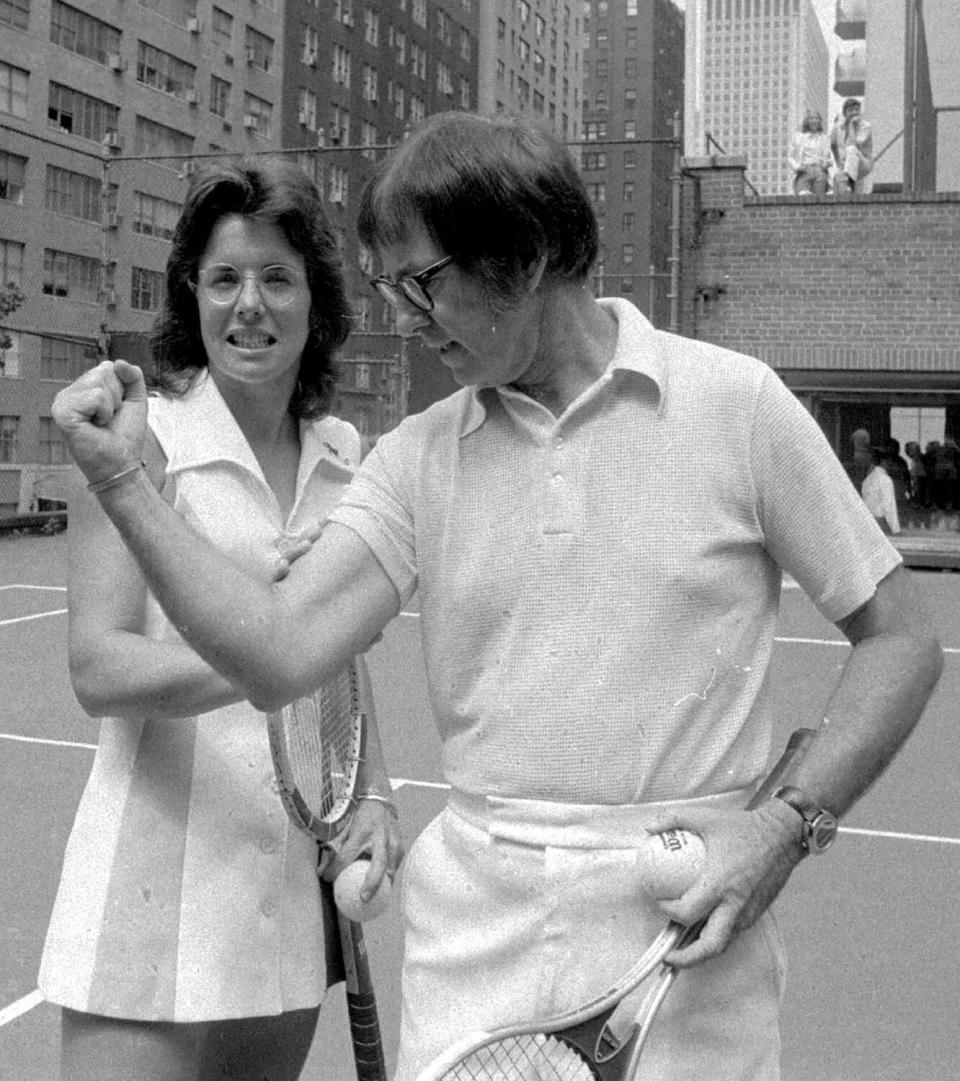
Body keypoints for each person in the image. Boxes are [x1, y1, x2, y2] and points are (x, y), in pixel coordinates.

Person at [51, 113, 943, 1081]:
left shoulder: (738, 404)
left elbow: (899, 638)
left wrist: (783, 825)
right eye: (388, 288)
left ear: (528, 253)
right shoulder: (411, 459)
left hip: (686, 944)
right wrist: (123, 481)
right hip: (472, 952)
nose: (402, 316)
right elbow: (274, 655)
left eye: (422, 283)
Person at [38, 158, 403, 1081]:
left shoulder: (342, 456)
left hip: (278, 909)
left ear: (315, 301)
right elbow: (100, 671)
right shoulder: (134, 439)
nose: (251, 304)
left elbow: (338, 673)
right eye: (225, 278)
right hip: (146, 895)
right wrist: (272, 642)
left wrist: (374, 795)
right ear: (191, 296)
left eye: (278, 278)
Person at [831, 98, 874, 193]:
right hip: (846, 165)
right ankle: (848, 187)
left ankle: (848, 182)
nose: (854, 112)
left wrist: (851, 126)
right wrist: (838, 163)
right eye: (851, 110)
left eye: (857, 109)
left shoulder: (865, 126)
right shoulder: (837, 127)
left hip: (863, 163)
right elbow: (833, 145)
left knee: (851, 150)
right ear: (845, 113)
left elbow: (854, 146)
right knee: (840, 181)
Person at [787, 110, 832, 195]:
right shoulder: (799, 137)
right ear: (807, 121)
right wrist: (797, 167)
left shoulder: (825, 138)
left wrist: (827, 164)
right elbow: (790, 156)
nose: (814, 120)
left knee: (819, 199)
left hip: (820, 171)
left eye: (817, 118)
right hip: (805, 170)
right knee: (803, 196)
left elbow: (829, 157)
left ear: (820, 121)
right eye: (812, 118)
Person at [861, 447, 900, 534]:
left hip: (867, 523)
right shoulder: (885, 480)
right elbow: (889, 507)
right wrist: (896, 530)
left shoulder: (867, 480)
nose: (892, 463)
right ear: (884, 461)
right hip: (880, 523)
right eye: (890, 460)